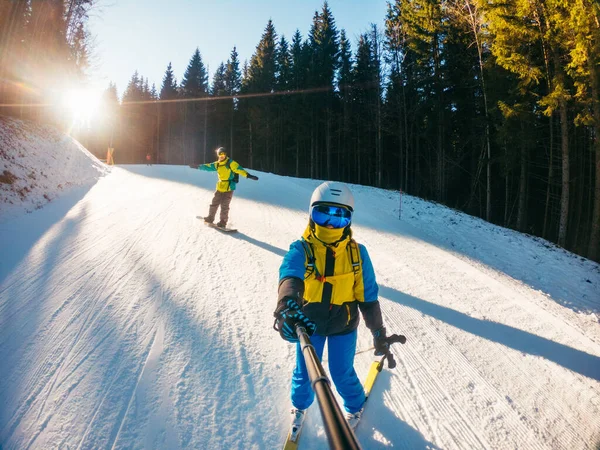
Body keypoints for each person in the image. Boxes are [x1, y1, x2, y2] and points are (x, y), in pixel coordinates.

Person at [273, 181, 389, 434]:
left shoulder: (358, 253)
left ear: (349, 220)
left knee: (340, 371)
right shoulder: (301, 248)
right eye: (322, 213)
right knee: (305, 372)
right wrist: (287, 304)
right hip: (309, 324)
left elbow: (368, 297)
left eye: (339, 217)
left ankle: (356, 404)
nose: (329, 223)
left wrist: (378, 331)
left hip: (343, 326)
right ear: (311, 214)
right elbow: (290, 274)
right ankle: (299, 406)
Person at [189, 147, 258, 228]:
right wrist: (198, 166)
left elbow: (239, 169)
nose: (222, 155)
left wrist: (248, 175)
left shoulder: (231, 163)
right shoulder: (217, 164)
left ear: (225, 154)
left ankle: (223, 222)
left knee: (224, 206)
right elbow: (207, 167)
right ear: (218, 155)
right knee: (214, 203)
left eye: (223, 154)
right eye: (220, 154)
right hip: (220, 187)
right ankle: (210, 218)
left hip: (229, 188)